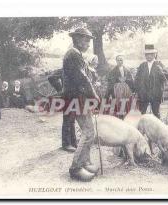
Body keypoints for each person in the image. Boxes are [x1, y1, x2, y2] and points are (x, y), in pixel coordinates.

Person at [63, 28, 100, 182]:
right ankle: (76, 168)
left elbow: (86, 77)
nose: (88, 43)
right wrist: (95, 96)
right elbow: (83, 79)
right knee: (88, 132)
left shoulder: (77, 54)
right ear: (77, 39)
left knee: (89, 131)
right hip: (76, 98)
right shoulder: (73, 54)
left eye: (89, 40)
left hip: (79, 98)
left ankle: (84, 162)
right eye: (86, 40)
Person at [48, 69, 78, 153]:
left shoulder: (77, 70)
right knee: (67, 120)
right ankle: (66, 144)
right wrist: (60, 89)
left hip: (74, 97)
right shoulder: (64, 69)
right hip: (67, 97)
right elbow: (51, 77)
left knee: (72, 121)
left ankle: (73, 142)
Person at [134, 44, 167, 118]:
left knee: (156, 113)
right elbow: (137, 79)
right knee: (141, 113)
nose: (149, 56)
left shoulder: (159, 64)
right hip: (143, 94)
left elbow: (165, 78)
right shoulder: (142, 65)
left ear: (154, 55)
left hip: (155, 94)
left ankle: (157, 128)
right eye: (147, 54)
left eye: (151, 54)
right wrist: (138, 91)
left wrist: (161, 71)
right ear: (145, 55)